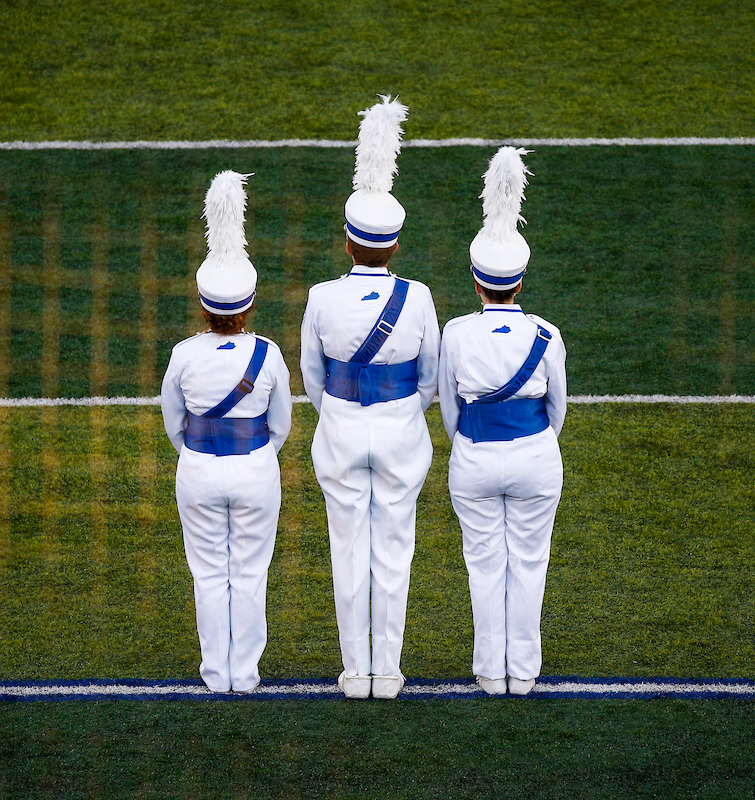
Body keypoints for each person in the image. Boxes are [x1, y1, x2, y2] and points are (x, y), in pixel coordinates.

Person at [300, 96, 439, 700]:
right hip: (402, 431)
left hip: (340, 429)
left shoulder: (322, 295)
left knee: (347, 551)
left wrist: (340, 413)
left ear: (349, 245)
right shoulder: (421, 296)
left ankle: (355, 672)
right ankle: (389, 672)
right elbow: (431, 378)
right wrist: (402, 413)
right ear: (395, 246)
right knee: (395, 551)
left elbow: (312, 376)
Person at [438, 147, 566, 696]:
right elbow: (557, 407)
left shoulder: (457, 333)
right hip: (537, 455)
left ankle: (491, 673)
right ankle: (524, 673)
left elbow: (448, 408)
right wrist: (533, 445)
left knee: (484, 567)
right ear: (520, 281)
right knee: (530, 565)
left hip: (474, 457)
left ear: (476, 282)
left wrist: (472, 444)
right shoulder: (546, 332)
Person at [161, 171, 292, 694]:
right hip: (256, 467)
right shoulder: (270, 354)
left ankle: (217, 674)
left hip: (197, 469)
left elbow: (174, 422)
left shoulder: (184, 354)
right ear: (250, 305)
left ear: (203, 305)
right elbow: (280, 424)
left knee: (210, 573)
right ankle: (247, 673)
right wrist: (254, 456)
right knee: (251, 573)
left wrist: (199, 454)